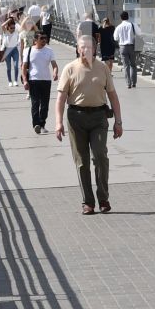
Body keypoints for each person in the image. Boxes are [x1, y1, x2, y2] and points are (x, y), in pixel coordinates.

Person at [55, 32, 124, 214]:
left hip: (99, 117)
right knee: (82, 161)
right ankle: (88, 202)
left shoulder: (102, 68)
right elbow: (61, 99)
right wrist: (58, 123)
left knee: (100, 156)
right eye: (82, 47)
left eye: (89, 47)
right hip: (76, 118)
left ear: (95, 50)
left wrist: (118, 122)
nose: (85, 50)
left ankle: (103, 198)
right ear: (78, 49)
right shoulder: (69, 69)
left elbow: (113, 96)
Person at [24, 31, 58, 133]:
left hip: (46, 80)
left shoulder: (49, 51)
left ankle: (42, 124)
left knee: (45, 105)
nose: (44, 40)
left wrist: (55, 73)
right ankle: (36, 124)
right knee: (35, 103)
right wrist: (25, 81)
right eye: (41, 38)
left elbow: (54, 65)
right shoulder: (28, 50)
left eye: (45, 38)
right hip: (33, 80)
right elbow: (24, 67)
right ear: (35, 40)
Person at [114, 10, 139, 88]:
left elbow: (115, 38)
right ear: (128, 17)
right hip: (132, 47)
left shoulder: (118, 27)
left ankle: (128, 84)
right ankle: (134, 82)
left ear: (121, 18)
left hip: (123, 47)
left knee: (126, 66)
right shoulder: (133, 25)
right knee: (133, 65)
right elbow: (139, 34)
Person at [0, 14, 25, 87]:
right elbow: (2, 26)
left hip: (14, 50)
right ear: (8, 27)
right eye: (11, 28)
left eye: (14, 28)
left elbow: (22, 27)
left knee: (16, 65)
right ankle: (10, 81)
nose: (13, 29)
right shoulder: (6, 32)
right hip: (7, 50)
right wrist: (9, 20)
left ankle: (15, 81)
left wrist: (16, 20)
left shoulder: (16, 32)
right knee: (8, 67)